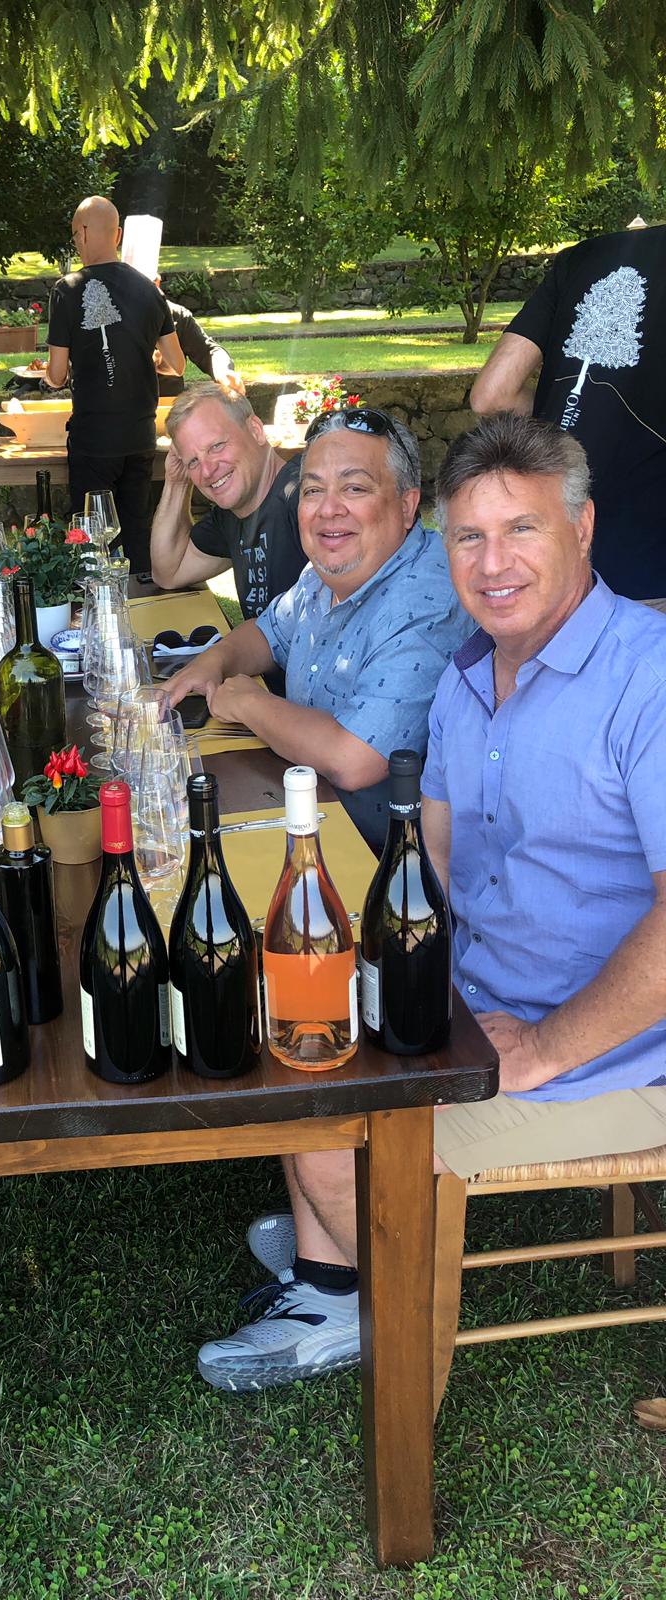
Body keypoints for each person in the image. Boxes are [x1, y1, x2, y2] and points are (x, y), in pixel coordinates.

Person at [195, 412, 666, 1395]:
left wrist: (542, 1048)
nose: (492, 564)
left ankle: (349, 1293)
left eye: (522, 529)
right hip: (477, 1000)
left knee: (321, 1109)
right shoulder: (468, 678)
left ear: (582, 527)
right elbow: (436, 868)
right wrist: (372, 976)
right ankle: (333, 1237)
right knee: (295, 1008)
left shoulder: (649, 679)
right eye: (469, 536)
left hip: (613, 1051)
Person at [165, 407, 471, 849]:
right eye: (313, 490)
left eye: (354, 487)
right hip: (303, 814)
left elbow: (355, 758)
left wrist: (249, 703)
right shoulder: (329, 571)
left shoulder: (427, 601)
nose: (329, 510)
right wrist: (211, 663)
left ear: (406, 506)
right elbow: (268, 632)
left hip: (381, 862)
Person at [470, 222, 666, 602]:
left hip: (555, 574)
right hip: (649, 580)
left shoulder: (585, 256)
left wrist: (563, 416)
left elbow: (492, 395)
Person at [46, 196, 185, 576]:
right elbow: (177, 364)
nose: (76, 243)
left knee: (92, 540)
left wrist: (52, 376)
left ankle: (97, 604)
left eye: (75, 236)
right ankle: (141, 600)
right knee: (136, 530)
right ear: (118, 235)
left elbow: (56, 373)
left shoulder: (67, 289)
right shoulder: (150, 289)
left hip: (94, 437)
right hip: (140, 435)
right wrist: (149, 359)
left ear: (83, 233)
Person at [150, 383, 305, 620]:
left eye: (216, 446)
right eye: (193, 461)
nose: (207, 471)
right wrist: (177, 482)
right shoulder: (232, 515)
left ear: (256, 430)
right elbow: (168, 572)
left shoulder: (305, 500)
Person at [153, 280, 245, 399]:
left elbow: (209, 351)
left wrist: (224, 372)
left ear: (157, 284)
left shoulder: (176, 316)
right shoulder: (126, 319)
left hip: (168, 405)